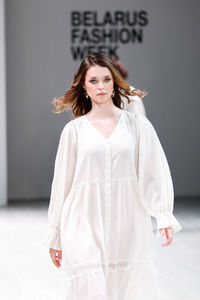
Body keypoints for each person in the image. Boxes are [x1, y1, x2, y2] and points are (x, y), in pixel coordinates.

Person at [41, 52, 182, 299]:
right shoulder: (73, 131)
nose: (101, 86)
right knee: (91, 286)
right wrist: (55, 234)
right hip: (83, 221)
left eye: (106, 79)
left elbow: (152, 169)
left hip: (128, 222)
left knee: (125, 287)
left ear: (115, 82)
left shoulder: (137, 126)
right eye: (93, 80)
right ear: (83, 86)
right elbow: (61, 185)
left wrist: (163, 215)